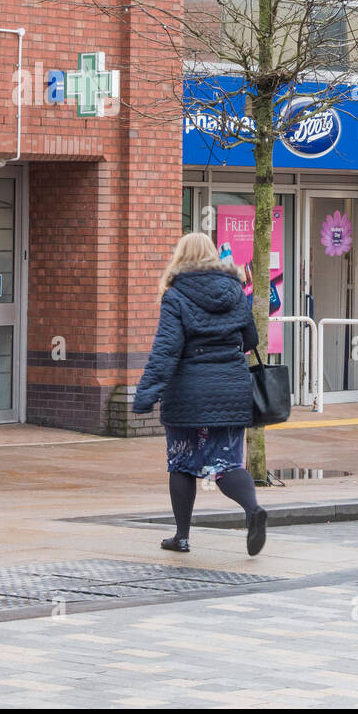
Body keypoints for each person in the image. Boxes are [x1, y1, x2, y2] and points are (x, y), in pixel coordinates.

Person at [133, 233, 267, 557]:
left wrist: (146, 392)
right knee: (226, 464)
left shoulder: (176, 295)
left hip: (189, 393)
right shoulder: (235, 290)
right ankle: (253, 510)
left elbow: (166, 350)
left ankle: (182, 536)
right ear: (211, 256)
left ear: (181, 257)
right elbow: (251, 337)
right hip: (232, 390)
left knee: (181, 463)